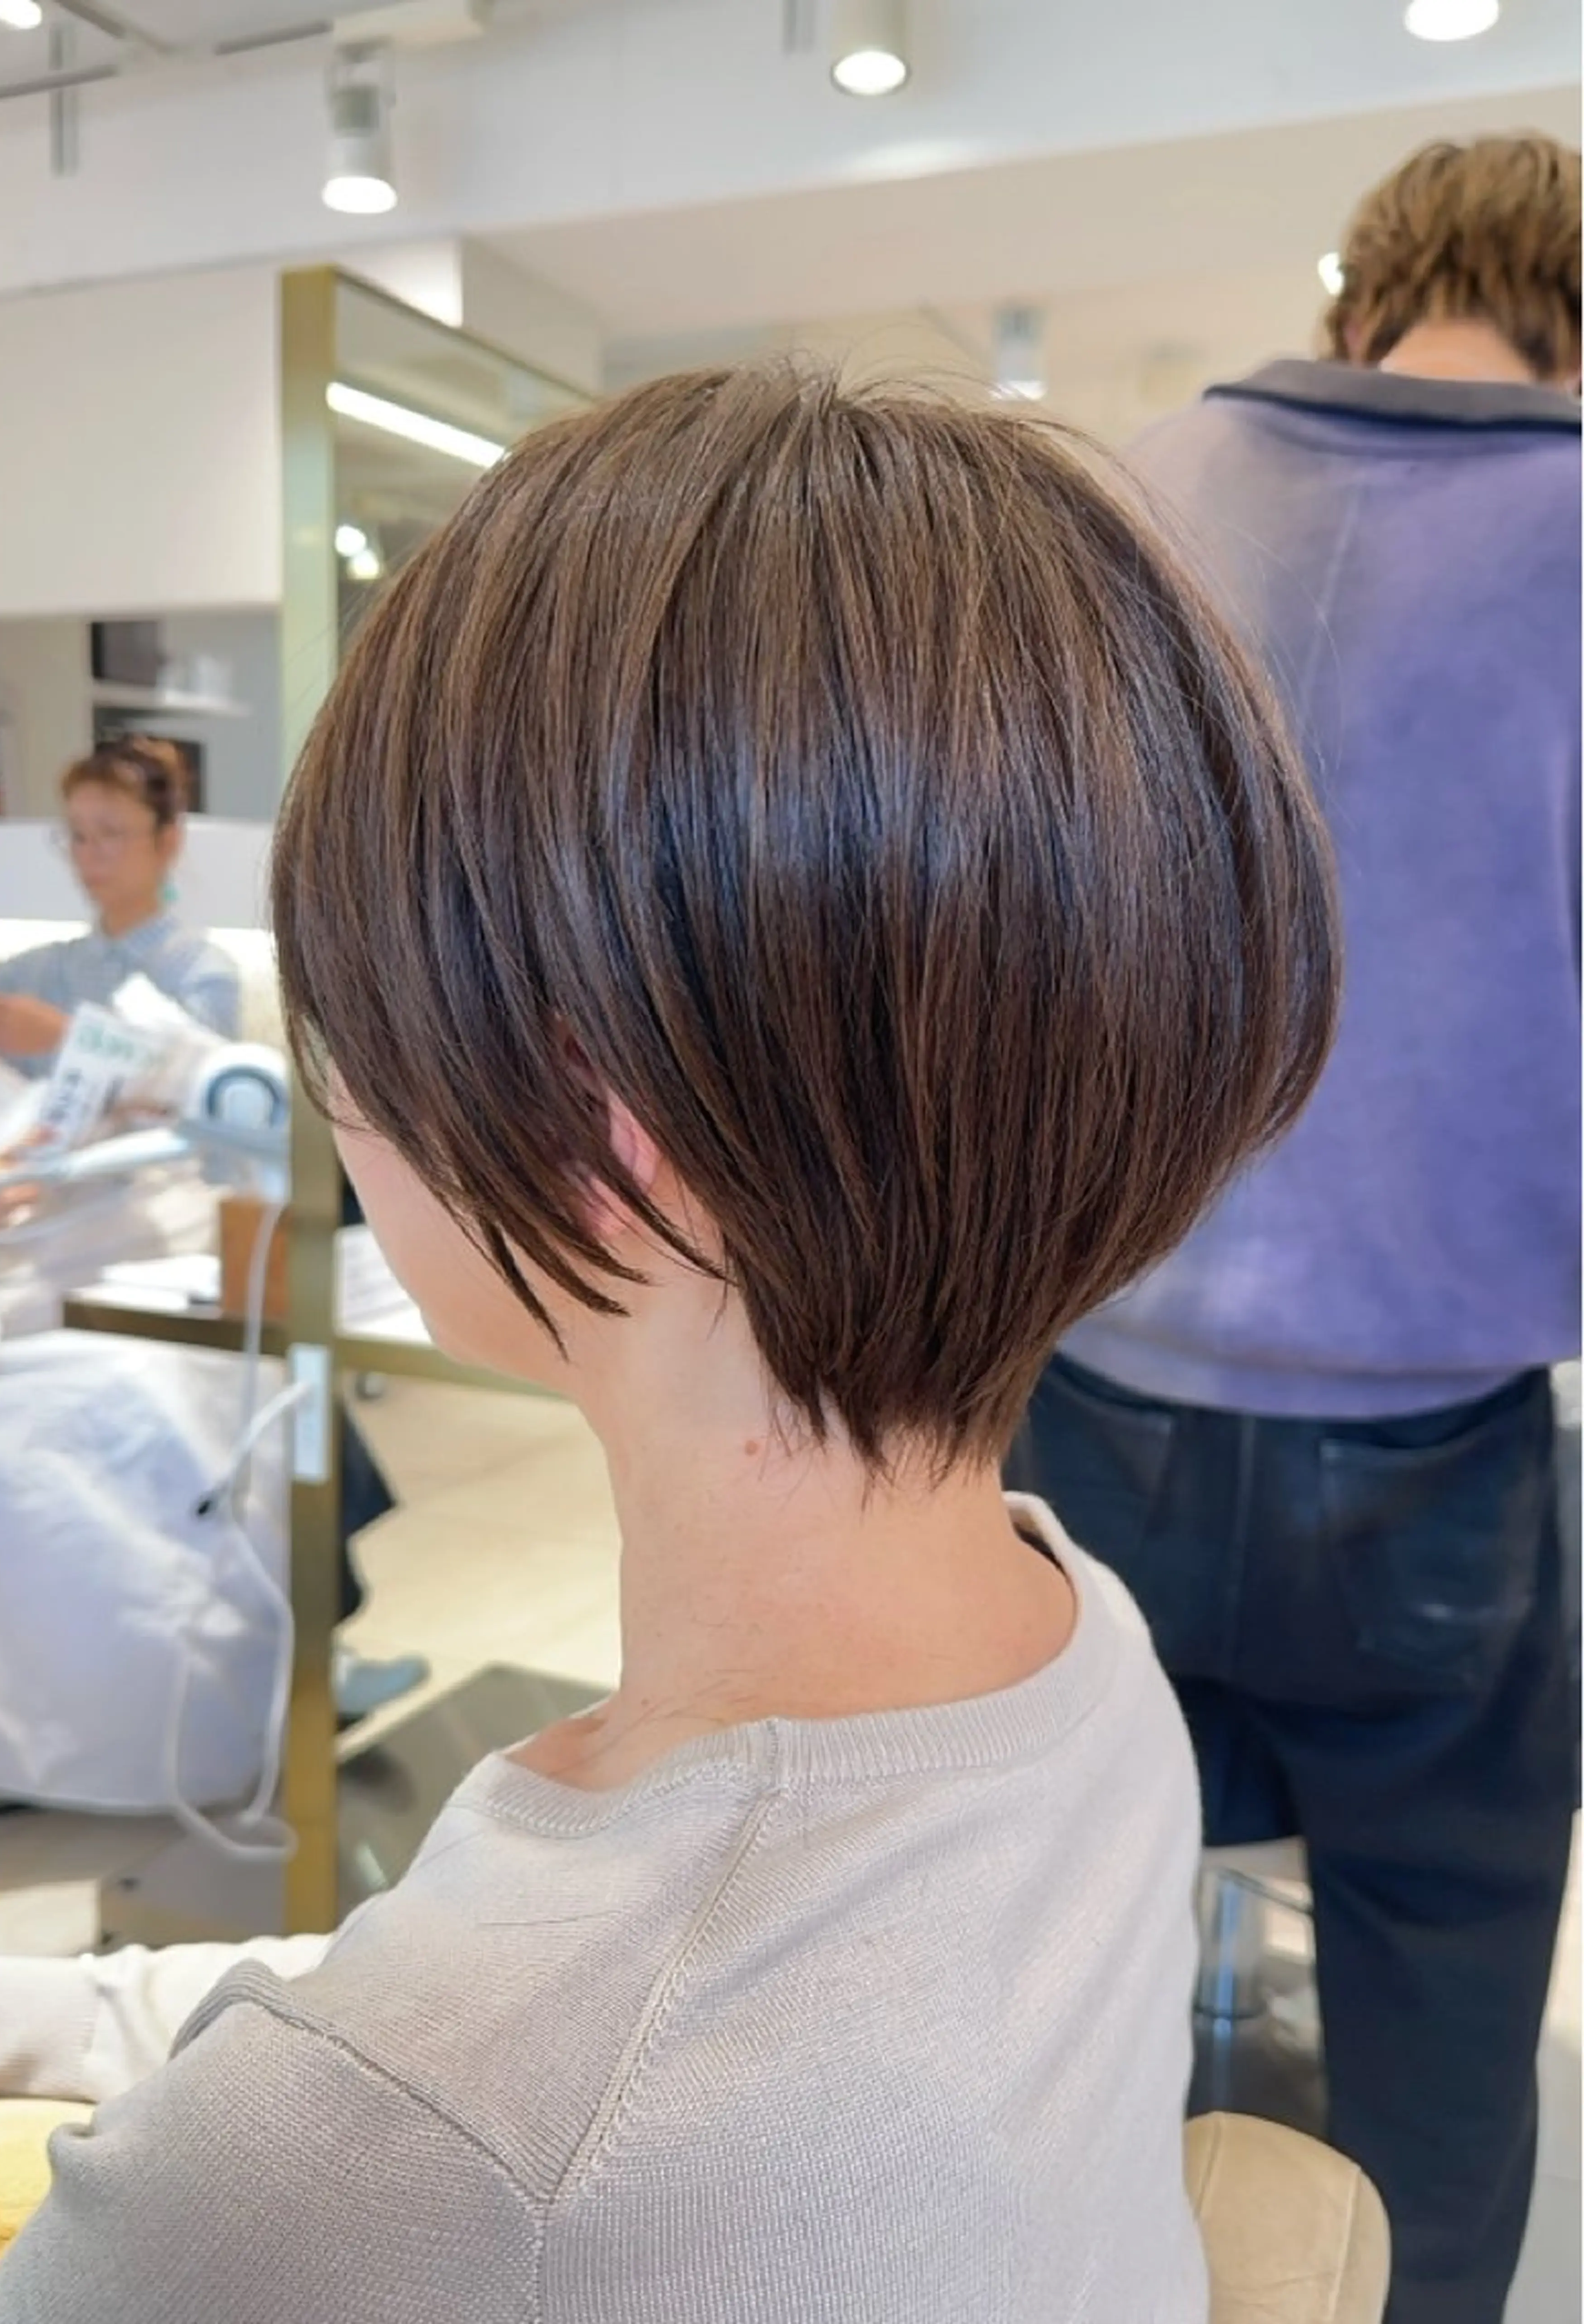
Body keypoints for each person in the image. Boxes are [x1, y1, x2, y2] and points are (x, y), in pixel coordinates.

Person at [0, 366, 1335, 2321]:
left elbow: (402, 2115)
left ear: (586, 1122)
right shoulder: (1083, 1658)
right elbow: (385, 2041)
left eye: (358, 1020)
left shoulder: (395, 2157)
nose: (345, 1111)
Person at [1008, 134, 1581, 2324]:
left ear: (1365, 294)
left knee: (1076, 1931)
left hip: (1089, 1384)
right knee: (1438, 1986)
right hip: (1433, 1440)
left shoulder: (1138, 491)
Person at [0, 839, 419, 1780]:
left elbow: (17, 1164)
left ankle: (300, 1658)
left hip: (21, 1307)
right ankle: (260, 1681)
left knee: (260, 1362)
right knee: (159, 1384)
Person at [0, 736, 240, 1069]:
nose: (88, 854)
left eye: (110, 833)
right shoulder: (40, 971)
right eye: (77, 836)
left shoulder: (202, 973)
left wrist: (66, 1036)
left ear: (168, 841)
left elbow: (211, 1085)